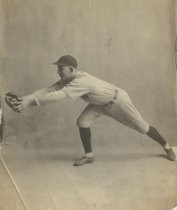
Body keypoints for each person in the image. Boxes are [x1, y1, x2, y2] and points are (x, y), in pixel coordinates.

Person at [5, 55, 176, 166]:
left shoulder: (80, 81)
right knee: (82, 121)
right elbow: (48, 90)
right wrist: (23, 99)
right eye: (58, 68)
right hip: (100, 104)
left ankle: (167, 147)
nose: (58, 71)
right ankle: (89, 155)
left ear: (72, 69)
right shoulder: (67, 79)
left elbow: (57, 97)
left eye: (61, 68)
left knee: (143, 128)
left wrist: (28, 104)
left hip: (118, 101)